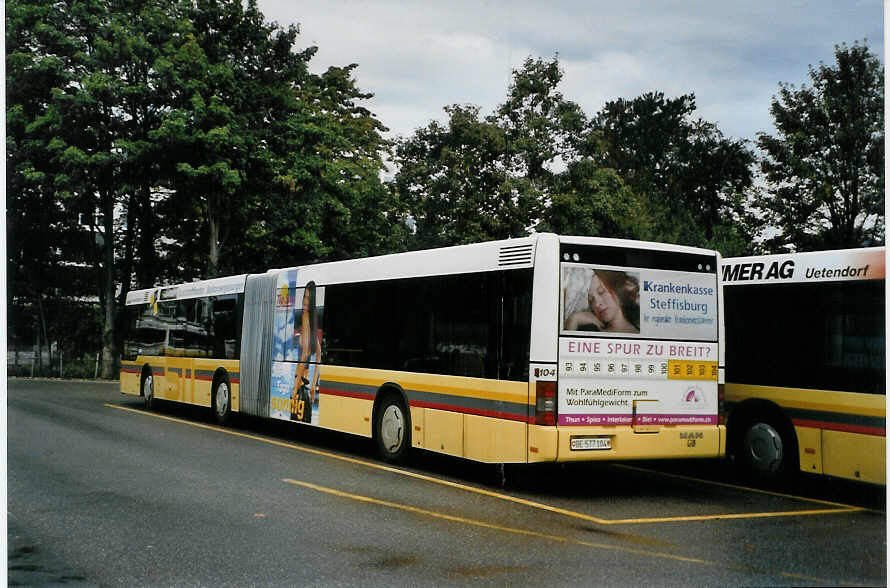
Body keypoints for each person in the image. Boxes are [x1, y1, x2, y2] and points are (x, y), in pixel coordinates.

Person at [565, 270, 640, 333]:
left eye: (601, 292)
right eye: (591, 300)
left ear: (618, 291)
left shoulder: (640, 332)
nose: (596, 304)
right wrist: (573, 320)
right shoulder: (589, 330)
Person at [290, 281, 321, 422]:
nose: (305, 301)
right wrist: (313, 385)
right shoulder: (310, 321)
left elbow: (303, 358)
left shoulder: (306, 321)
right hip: (305, 386)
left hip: (300, 385)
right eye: (304, 297)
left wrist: (295, 388)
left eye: (308, 298)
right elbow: (318, 355)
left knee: (296, 420)